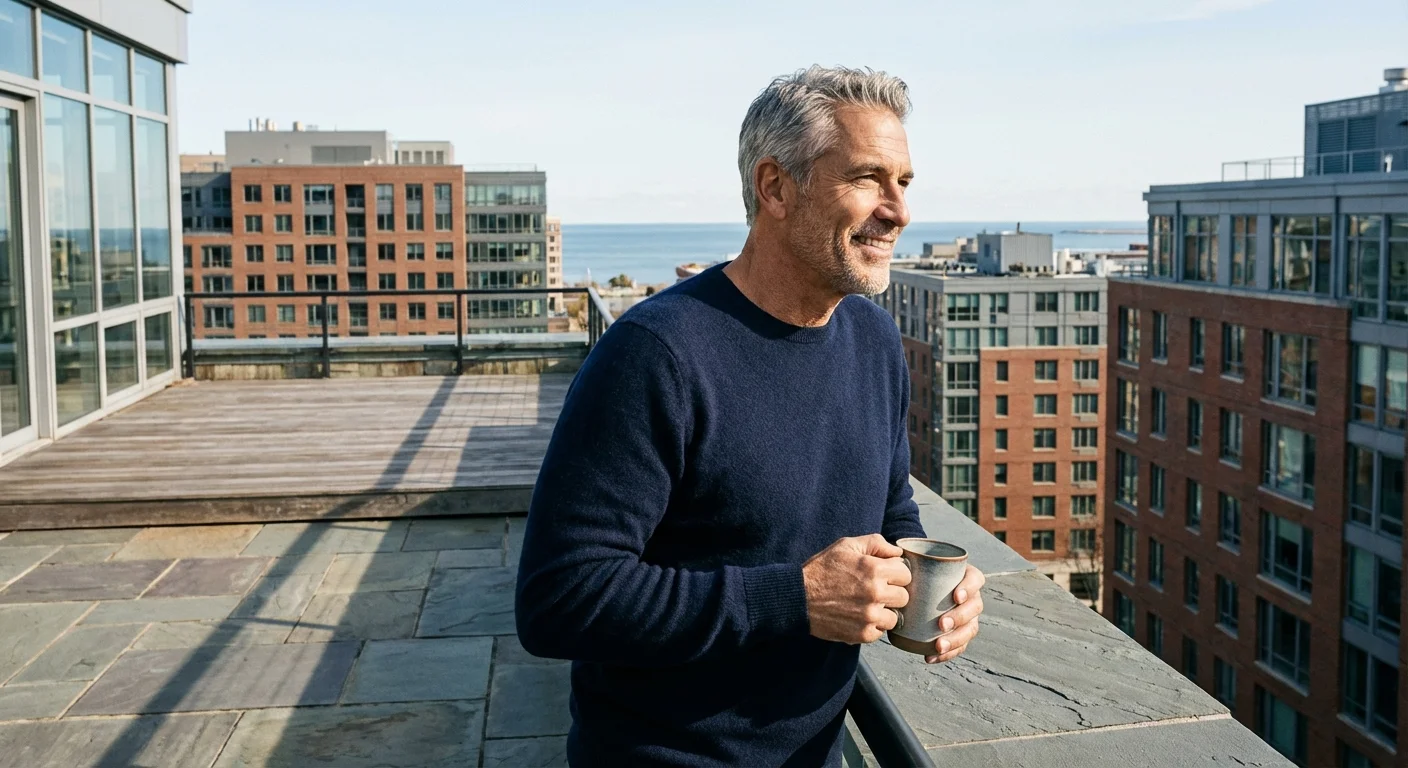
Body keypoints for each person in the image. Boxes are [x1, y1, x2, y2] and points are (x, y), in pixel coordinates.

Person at [516, 65, 986, 767]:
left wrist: (930, 585)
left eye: (904, 182)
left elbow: (889, 510)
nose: (899, 210)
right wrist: (791, 599)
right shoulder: (657, 354)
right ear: (775, 187)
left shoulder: (874, 340)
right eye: (867, 178)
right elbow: (560, 599)